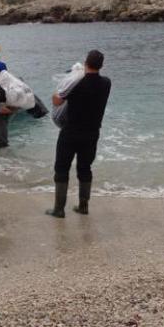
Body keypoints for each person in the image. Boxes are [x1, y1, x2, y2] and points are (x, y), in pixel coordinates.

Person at [46, 50, 111, 218]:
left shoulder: (76, 84)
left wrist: (57, 91)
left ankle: (59, 209)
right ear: (101, 66)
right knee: (85, 168)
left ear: (85, 63)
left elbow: (57, 100)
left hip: (70, 132)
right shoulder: (106, 83)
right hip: (92, 133)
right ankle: (83, 206)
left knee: (61, 168)